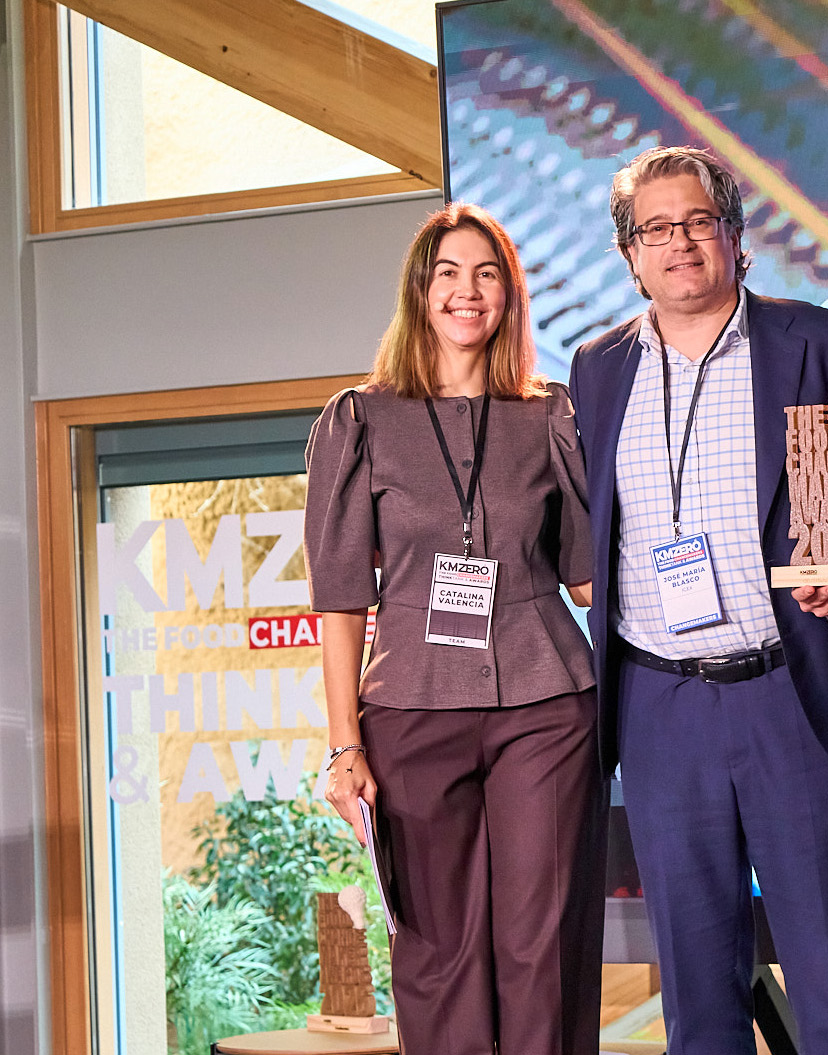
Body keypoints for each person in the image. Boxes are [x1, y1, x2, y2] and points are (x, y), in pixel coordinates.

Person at [568, 145, 828, 1055]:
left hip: (793, 692)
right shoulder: (596, 370)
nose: (680, 243)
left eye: (698, 222)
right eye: (656, 229)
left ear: (736, 237)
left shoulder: (823, 341)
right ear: (630, 253)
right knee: (697, 993)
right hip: (662, 706)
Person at [304, 202, 606, 1055]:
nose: (467, 293)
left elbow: (588, 578)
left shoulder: (549, 414)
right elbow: (338, 599)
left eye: (486, 274)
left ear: (508, 295)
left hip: (545, 705)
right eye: (448, 274)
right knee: (437, 950)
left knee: (539, 943)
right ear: (420, 293)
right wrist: (343, 744)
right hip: (408, 708)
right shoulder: (358, 421)